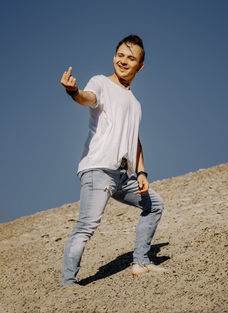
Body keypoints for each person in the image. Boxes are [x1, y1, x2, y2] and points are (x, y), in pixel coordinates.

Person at [60, 34, 165, 287]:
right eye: (120, 55)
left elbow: (135, 141)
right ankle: (68, 282)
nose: (123, 61)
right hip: (99, 170)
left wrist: (141, 173)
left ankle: (140, 261)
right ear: (114, 57)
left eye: (131, 58)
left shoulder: (135, 103)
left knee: (155, 205)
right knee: (87, 225)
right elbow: (88, 98)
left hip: (124, 176)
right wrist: (74, 91)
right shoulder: (100, 83)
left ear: (140, 66)